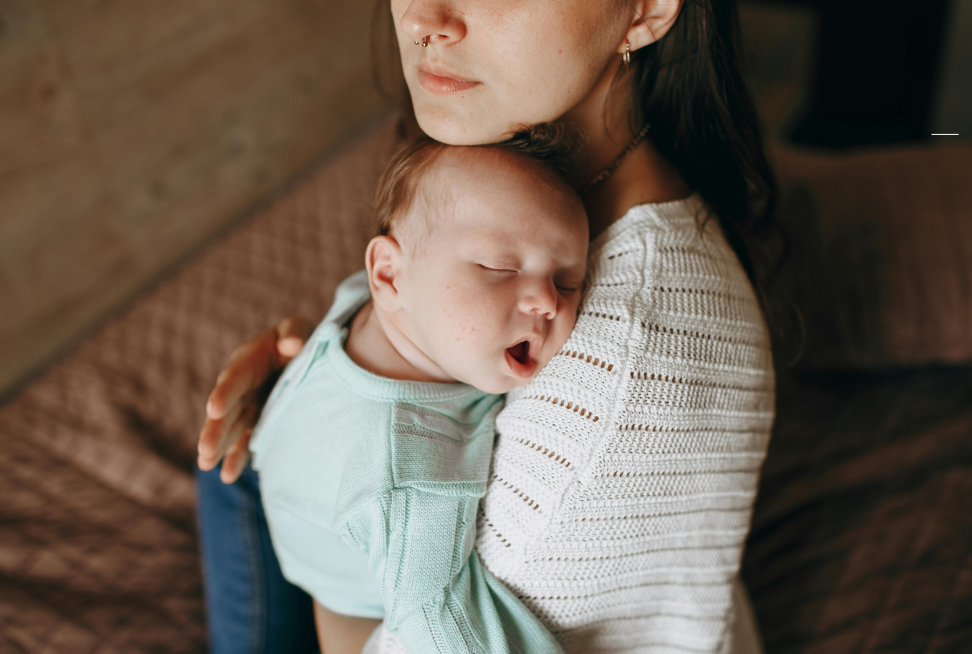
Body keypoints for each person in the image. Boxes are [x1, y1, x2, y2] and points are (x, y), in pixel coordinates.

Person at [197, 0, 783, 652]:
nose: (423, 17)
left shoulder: (609, 396)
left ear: (648, 9)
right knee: (230, 465)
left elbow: (415, 626)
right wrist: (324, 376)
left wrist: (329, 461)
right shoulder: (524, 161)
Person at [249, 137, 587, 654]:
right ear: (388, 274)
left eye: (567, 281)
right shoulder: (409, 472)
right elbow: (444, 628)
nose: (546, 301)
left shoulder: (370, 307)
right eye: (499, 266)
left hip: (298, 513)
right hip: (342, 596)